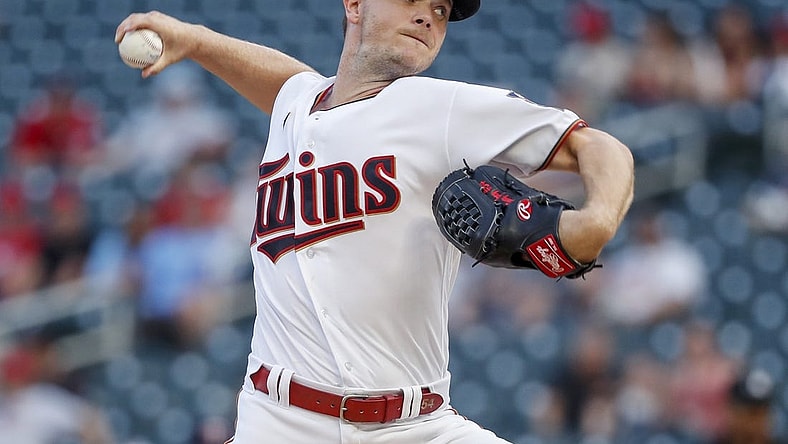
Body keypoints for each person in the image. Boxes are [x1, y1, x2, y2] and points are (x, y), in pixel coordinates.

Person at [115, 1, 634, 442]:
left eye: (441, 9)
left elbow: (599, 147)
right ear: (355, 3)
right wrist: (196, 41)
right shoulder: (297, 105)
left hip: (418, 425)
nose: (429, 16)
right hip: (276, 421)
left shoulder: (442, 108)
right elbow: (287, 85)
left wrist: (596, 222)